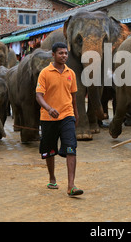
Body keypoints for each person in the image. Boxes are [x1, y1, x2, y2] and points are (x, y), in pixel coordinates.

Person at [35, 42, 83, 197]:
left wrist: (76, 114)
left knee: (71, 147)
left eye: (65, 53)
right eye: (61, 53)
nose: (64, 56)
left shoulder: (71, 73)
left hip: (67, 116)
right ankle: (52, 178)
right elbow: (38, 96)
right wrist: (49, 108)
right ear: (53, 55)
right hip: (48, 117)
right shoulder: (45, 73)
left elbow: (73, 96)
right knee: (49, 150)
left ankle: (71, 186)